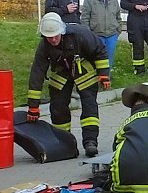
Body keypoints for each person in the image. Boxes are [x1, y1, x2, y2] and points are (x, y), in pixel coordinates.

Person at [27, 12, 111, 157]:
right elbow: (37, 72)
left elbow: (100, 50)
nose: (53, 40)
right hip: (61, 73)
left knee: (89, 105)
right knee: (58, 107)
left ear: (62, 31)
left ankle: (90, 142)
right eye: (49, 37)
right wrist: (33, 106)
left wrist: (104, 74)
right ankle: (65, 143)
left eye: (55, 36)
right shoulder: (44, 46)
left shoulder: (80, 34)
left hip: (84, 71)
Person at [81, 0, 122, 68]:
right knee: (96, 59)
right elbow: (84, 18)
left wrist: (118, 31)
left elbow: (118, 16)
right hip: (96, 36)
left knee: (109, 59)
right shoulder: (89, 0)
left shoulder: (114, 0)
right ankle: (96, 78)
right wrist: (89, 34)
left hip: (111, 35)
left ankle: (107, 79)